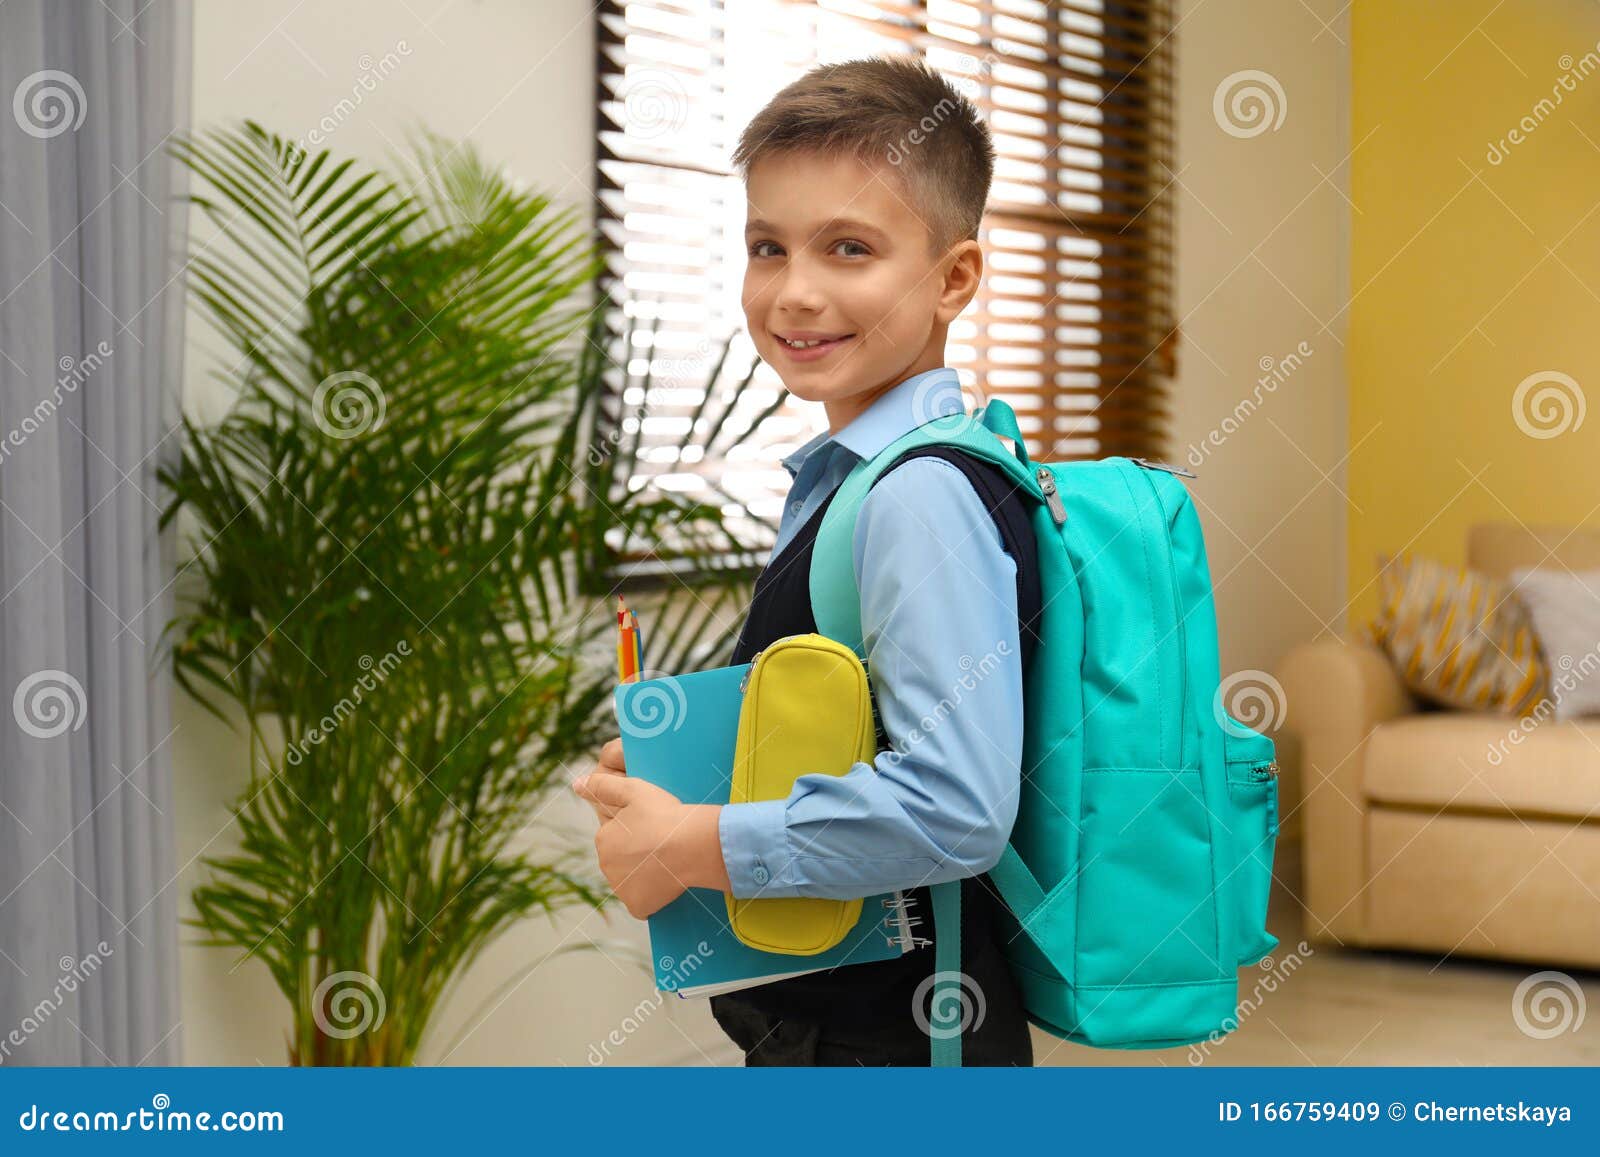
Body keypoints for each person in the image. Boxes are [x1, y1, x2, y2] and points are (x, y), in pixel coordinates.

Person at [574, 55, 1039, 1066]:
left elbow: (955, 807)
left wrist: (689, 843)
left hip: (898, 1045)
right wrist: (692, 783)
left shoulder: (917, 494)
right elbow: (855, 727)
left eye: (849, 248)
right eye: (766, 247)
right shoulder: (850, 478)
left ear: (954, 276)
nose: (794, 293)